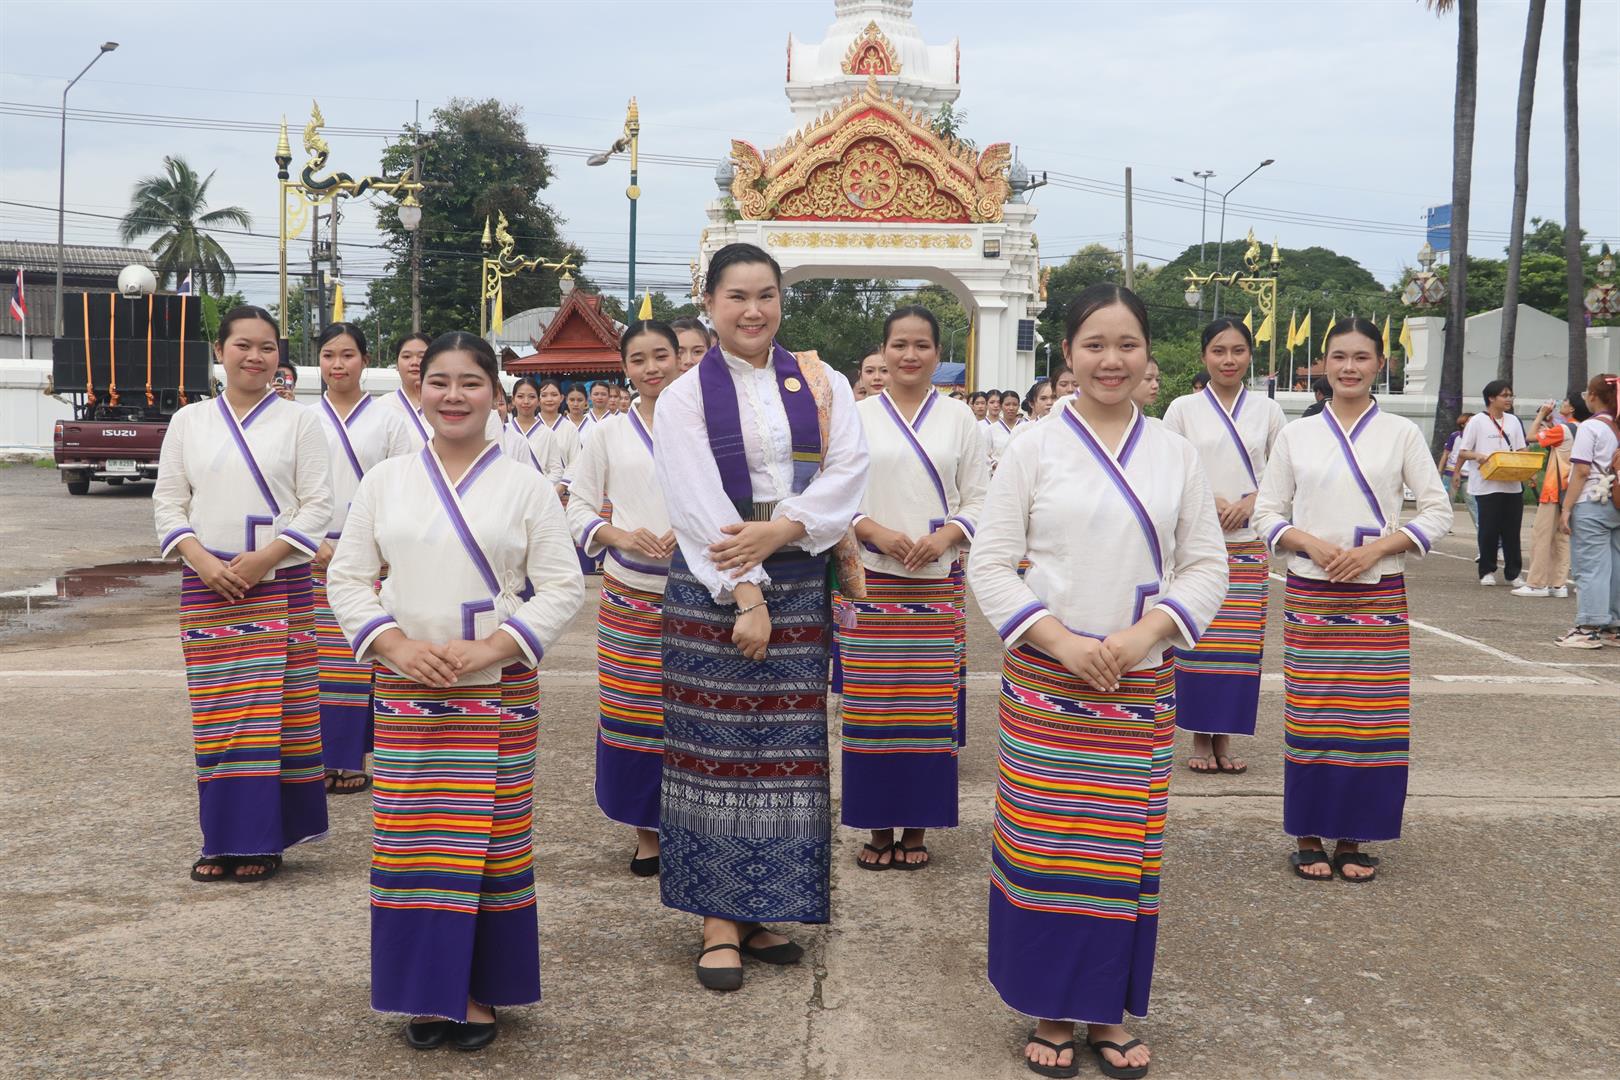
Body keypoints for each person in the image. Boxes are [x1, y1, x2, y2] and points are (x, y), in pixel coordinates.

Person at [968, 284, 1227, 1080]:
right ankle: (1050, 1006)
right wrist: (1061, 641)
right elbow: (990, 562)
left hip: (1137, 683)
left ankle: (1107, 1008)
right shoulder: (1033, 447)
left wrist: (1144, 635)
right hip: (1049, 682)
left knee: (1122, 853)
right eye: (1094, 345)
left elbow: (1206, 565)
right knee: (1048, 847)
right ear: (1068, 354)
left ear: (1148, 354)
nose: (1111, 360)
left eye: (1127, 344)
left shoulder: (1177, 454)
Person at [327, 331, 583, 1049]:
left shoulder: (526, 485)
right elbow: (347, 578)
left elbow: (562, 586)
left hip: (499, 690)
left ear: (495, 394)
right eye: (439, 381)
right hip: (406, 687)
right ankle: (425, 990)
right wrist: (396, 645)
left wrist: (493, 647)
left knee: (492, 840)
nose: (453, 395)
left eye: (471, 382)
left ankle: (478, 987)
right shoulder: (386, 481)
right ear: (420, 390)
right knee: (412, 841)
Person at [651, 242, 868, 992]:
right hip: (713, 585)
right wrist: (746, 593)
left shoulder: (821, 382)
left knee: (786, 751)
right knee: (711, 748)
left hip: (800, 575)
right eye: (737, 296)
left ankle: (760, 907)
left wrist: (785, 529)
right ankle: (717, 919)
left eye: (766, 295)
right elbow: (695, 501)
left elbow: (849, 470)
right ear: (709, 305)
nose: (753, 310)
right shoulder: (683, 396)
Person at [1252, 318, 1452, 884]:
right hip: (1311, 592)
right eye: (1339, 356)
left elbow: (1436, 509)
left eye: (1361, 357)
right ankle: (1307, 834)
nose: (1349, 367)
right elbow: (1266, 513)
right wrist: (1310, 543)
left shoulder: (1401, 433)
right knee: (1312, 712)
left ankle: (1353, 837)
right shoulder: (1297, 435)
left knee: (1369, 717)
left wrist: (1376, 551)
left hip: (1378, 594)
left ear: (1380, 365)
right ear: (1323, 363)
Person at [153, 305, 333, 883]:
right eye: (243, 345)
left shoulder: (300, 422)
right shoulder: (189, 421)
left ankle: (263, 839)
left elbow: (318, 504)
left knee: (277, 716)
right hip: (208, 586)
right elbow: (168, 502)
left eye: (267, 347)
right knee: (219, 715)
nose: (255, 357)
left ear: (279, 356)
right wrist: (203, 561)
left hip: (281, 583)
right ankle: (221, 839)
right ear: (220, 351)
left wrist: (265, 559)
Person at [844, 305, 987, 872]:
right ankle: (878, 828)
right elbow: (835, 495)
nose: (909, 355)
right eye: (899, 344)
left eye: (921, 345)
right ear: (883, 351)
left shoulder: (960, 419)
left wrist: (948, 534)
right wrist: (872, 530)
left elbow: (981, 497)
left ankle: (918, 826)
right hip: (872, 584)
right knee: (873, 708)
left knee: (927, 710)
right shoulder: (857, 417)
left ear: (937, 353)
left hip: (935, 584)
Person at [565, 321, 680, 875]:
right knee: (634, 710)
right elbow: (579, 507)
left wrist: (695, 527)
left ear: (680, 359)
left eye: (661, 356)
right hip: (630, 593)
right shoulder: (608, 434)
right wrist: (620, 536)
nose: (651, 368)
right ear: (625, 368)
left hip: (699, 591)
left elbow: (737, 499)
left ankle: (693, 825)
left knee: (694, 712)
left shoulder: (707, 425)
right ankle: (646, 832)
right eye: (639, 359)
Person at [1163, 317, 1287, 776]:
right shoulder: (1182, 409)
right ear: (1204, 356)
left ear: (1249, 355)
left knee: (1239, 647)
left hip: (1248, 544)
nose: (1228, 359)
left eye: (1237, 350)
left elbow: (1284, 475)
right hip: (1197, 546)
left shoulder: (1269, 412)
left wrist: (1254, 501)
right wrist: (1208, 499)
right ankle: (1200, 735)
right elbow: (1167, 469)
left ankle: (1226, 736)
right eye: (1218, 351)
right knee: (1198, 640)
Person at [310, 322, 415, 796]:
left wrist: (385, 549)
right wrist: (308, 541)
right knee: (321, 664)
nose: (338, 364)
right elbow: (287, 488)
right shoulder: (304, 419)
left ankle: (352, 758)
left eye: (348, 355)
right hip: (314, 552)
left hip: (371, 555)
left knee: (362, 660)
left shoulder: (390, 421)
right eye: (329, 355)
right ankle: (320, 757)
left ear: (365, 360)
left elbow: (402, 489)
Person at [1556, 375, 1620, 648]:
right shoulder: (1617, 426)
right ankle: (1612, 626)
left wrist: (1566, 508)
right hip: (1616, 501)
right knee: (1615, 566)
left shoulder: (1590, 427)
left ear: (1593, 396)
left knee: (1590, 567)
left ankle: (1588, 627)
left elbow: (1581, 471)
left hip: (1592, 500)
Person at [1456, 380, 1528, 586]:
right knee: (1489, 529)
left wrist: (1528, 466)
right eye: (1504, 395)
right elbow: (1463, 451)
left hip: (1512, 484)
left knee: (1512, 531)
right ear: (1491, 398)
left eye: (1510, 395)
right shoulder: (1477, 422)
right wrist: (1477, 456)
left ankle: (1514, 573)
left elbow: (1521, 449)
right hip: (1486, 485)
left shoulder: (1513, 421)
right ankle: (1486, 570)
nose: (1509, 399)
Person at [1516, 398, 1584, 597]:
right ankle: (1558, 584)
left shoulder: (1563, 430)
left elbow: (1530, 437)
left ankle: (1536, 584)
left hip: (1554, 489)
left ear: (1572, 408)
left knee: (1542, 536)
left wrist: (1540, 414)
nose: (1562, 404)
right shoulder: (1584, 429)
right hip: (1572, 490)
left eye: (1566, 402)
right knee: (1562, 538)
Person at [507, 376, 565, 484]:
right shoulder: (504, 431)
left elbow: (557, 470)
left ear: (539, 400)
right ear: (513, 400)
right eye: (520, 396)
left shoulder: (548, 434)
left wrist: (539, 488)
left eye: (532, 397)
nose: (526, 401)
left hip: (539, 490)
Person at [381, 332, 434, 444]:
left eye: (422, 356)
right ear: (396, 364)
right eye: (406, 356)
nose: (414, 362)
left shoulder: (445, 404)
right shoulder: (380, 407)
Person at [1438, 413, 1478, 528]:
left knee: (1472, 502)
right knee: (1447, 502)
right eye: (1470, 421)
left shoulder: (1478, 437)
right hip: (1450, 473)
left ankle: (1480, 528)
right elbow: (1446, 453)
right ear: (1462, 424)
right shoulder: (1455, 436)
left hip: (1468, 474)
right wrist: (1439, 470)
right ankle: (1443, 527)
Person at [984, 390, 1020, 469]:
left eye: (1015, 404)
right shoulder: (991, 429)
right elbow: (984, 453)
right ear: (1001, 406)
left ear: (1018, 406)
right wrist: (994, 464)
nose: (1011, 408)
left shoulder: (1025, 427)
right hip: (997, 472)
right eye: (1007, 404)